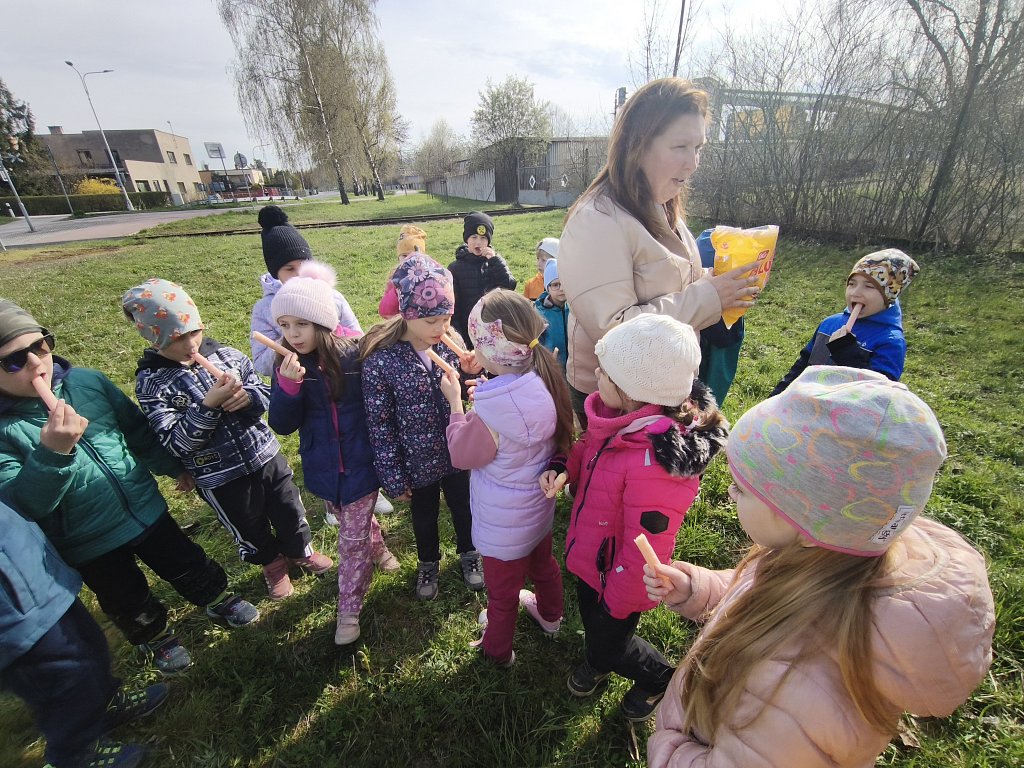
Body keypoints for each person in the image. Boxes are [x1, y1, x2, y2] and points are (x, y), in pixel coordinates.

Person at [645, 366, 994, 768]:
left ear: (804, 522)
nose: (730, 492)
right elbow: (757, 594)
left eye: (743, 488)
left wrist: (671, 748)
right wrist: (699, 588)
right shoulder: (824, 559)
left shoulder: (792, 692)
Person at [0, 299, 254, 675]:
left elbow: (136, 431)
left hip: (143, 506)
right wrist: (52, 452)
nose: (37, 363)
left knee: (183, 558)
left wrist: (172, 467)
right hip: (86, 539)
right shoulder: (5, 431)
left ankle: (216, 597)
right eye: (13, 361)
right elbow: (25, 506)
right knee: (124, 595)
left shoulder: (88, 383)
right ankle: (156, 637)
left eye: (41, 345)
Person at [547, 313, 728, 722]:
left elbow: (645, 551)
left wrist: (620, 603)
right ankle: (599, 657)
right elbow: (588, 448)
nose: (596, 375)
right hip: (593, 558)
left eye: (605, 372)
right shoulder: (617, 419)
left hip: (621, 578)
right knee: (595, 625)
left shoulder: (656, 465)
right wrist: (565, 467)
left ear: (631, 391)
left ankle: (658, 677)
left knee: (611, 638)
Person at [557, 78, 761, 430]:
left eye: (698, 147)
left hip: (662, 386)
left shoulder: (659, 204)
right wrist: (709, 297)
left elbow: (668, 282)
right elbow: (615, 333)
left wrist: (719, 282)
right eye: (680, 146)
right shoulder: (597, 220)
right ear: (637, 146)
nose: (693, 163)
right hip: (618, 398)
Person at [125, 278, 333, 602]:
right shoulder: (153, 383)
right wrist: (207, 406)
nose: (191, 344)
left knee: (289, 508)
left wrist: (248, 399)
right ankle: (272, 565)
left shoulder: (228, 356)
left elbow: (266, 395)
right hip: (218, 475)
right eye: (178, 338)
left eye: (195, 331)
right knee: (247, 525)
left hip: (264, 454)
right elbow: (176, 442)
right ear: (154, 338)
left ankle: (300, 551)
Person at [266, 262, 400, 646]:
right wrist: (287, 387)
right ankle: (379, 549)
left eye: (301, 324)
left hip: (361, 465)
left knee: (350, 541)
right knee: (353, 527)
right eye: (285, 325)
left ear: (323, 322)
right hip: (323, 470)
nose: (293, 334)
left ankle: (349, 610)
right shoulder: (286, 365)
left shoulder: (354, 357)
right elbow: (282, 424)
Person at [441, 289, 573, 667]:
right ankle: (550, 616)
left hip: (501, 529)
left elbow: (462, 454)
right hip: (536, 514)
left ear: (490, 353)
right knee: (544, 567)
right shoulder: (545, 376)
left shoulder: (491, 414)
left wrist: (455, 403)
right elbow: (516, 406)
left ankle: (497, 652)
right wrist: (487, 388)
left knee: (502, 596)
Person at [0, 498, 168, 768]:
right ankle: (75, 752)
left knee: (91, 644)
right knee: (61, 679)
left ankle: (106, 703)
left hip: (38, 581)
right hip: (13, 620)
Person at [361, 255, 486, 601]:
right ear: (407, 313)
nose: (441, 328)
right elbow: (380, 424)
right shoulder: (382, 361)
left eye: (446, 318)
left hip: (457, 449)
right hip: (417, 460)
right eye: (432, 320)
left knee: (465, 506)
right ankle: (428, 562)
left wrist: (473, 370)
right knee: (424, 515)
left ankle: (470, 552)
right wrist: (393, 475)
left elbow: (470, 386)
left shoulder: (450, 340)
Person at [770, 248, 920, 395]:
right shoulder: (829, 324)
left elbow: (879, 395)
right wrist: (776, 397)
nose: (856, 292)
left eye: (869, 286)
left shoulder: (891, 341)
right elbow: (801, 367)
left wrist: (848, 356)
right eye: (852, 284)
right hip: (806, 404)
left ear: (888, 296)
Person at [250, 205, 361, 377]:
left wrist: (327, 333)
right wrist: (291, 337)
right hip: (296, 383)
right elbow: (261, 364)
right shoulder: (263, 308)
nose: (298, 274)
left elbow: (358, 339)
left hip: (338, 378)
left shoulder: (333, 297)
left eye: (304, 265)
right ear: (276, 273)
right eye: (289, 269)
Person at [448, 211, 517, 349]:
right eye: (473, 237)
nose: (478, 242)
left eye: (483, 238)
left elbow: (510, 285)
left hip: (494, 329)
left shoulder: (494, 262)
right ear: (466, 239)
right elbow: (453, 307)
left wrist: (495, 261)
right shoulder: (455, 268)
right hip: (468, 329)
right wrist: (459, 336)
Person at [694, 228, 745, 405]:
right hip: (712, 330)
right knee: (709, 394)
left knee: (708, 394)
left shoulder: (704, 242)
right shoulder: (707, 243)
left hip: (723, 331)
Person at [378, 224, 428, 318]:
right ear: (398, 257)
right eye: (405, 256)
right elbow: (385, 311)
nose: (408, 259)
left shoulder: (428, 276)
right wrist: (397, 288)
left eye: (413, 255)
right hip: (399, 322)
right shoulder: (395, 276)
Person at [534, 258, 569, 371]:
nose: (561, 289)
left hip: (575, 369)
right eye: (555, 285)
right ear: (547, 288)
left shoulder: (575, 308)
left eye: (564, 283)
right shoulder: (539, 313)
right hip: (552, 367)